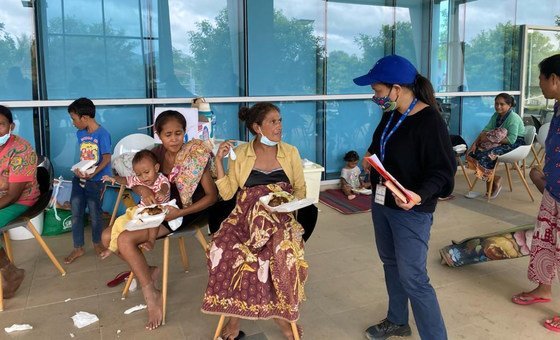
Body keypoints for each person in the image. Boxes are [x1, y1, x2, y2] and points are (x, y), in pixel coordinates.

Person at [353, 55, 455, 340]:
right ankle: (398, 321)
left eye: (378, 91)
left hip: (411, 210)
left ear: (397, 88)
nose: (376, 97)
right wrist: (369, 159)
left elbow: (443, 172)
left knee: (414, 277)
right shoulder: (391, 115)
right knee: (391, 264)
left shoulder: (430, 122)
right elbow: (378, 145)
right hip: (382, 203)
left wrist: (418, 195)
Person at [201, 102, 308, 340]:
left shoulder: (290, 152)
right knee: (224, 250)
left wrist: (287, 203)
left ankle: (283, 320)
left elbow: (300, 190)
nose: (279, 126)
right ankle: (234, 316)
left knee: (279, 255)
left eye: (280, 120)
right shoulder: (240, 154)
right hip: (245, 217)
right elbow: (228, 193)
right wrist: (219, 161)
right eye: (273, 121)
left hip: (280, 217)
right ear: (257, 127)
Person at [104, 110, 218, 330]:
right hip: (157, 209)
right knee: (106, 235)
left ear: (185, 132)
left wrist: (179, 213)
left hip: (187, 210)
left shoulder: (195, 156)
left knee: (125, 240)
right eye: (168, 134)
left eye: (178, 133)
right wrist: (140, 188)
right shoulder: (155, 154)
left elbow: (212, 197)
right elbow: (137, 177)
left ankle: (152, 296)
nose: (174, 139)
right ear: (158, 135)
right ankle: (147, 271)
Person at [511, 54, 560, 333]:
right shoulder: (558, 106)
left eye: (541, 79)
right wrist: (545, 176)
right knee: (545, 240)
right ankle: (543, 288)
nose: (539, 85)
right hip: (555, 188)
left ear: (554, 79)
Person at [64, 98, 112, 264]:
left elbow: (106, 158)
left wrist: (94, 173)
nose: (72, 123)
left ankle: (97, 243)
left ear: (84, 118)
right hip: (80, 178)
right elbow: (85, 156)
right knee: (76, 212)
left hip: (96, 181)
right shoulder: (80, 133)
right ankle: (78, 247)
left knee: (95, 213)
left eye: (73, 119)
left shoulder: (103, 134)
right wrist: (79, 169)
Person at [99, 149, 170, 259]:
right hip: (140, 211)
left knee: (154, 219)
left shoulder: (161, 179)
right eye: (139, 174)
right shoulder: (139, 179)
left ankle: (151, 241)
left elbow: (165, 186)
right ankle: (112, 247)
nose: (144, 177)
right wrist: (113, 178)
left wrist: (162, 192)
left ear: (156, 168)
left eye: (147, 172)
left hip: (159, 211)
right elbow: (126, 180)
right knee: (119, 221)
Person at [0, 105, 40, 298]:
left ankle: (10, 272)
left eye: (0, 124)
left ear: (11, 126)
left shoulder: (21, 150)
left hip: (20, 200)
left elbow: (13, 195)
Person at [466, 93, 525, 199]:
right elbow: (485, 131)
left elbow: (511, 140)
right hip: (498, 141)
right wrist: (474, 144)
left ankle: (494, 181)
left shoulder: (513, 118)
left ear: (509, 105)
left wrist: (491, 140)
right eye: (496, 103)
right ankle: (494, 179)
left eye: (502, 104)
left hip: (515, 144)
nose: (498, 106)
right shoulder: (496, 116)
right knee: (473, 153)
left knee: (487, 156)